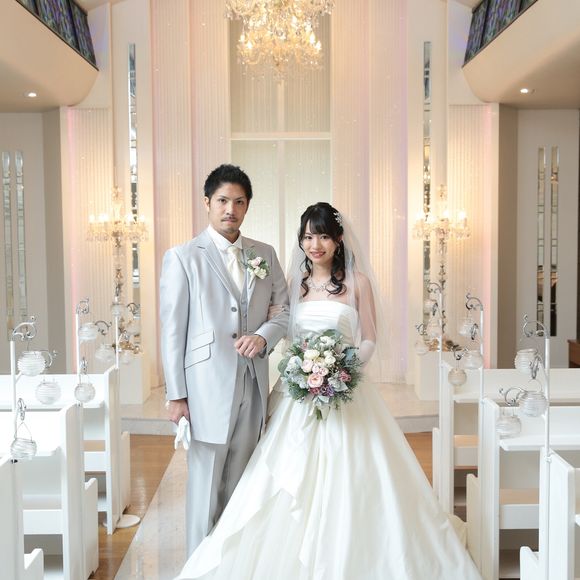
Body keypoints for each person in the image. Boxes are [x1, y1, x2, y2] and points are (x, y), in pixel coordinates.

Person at [175, 202, 481, 579]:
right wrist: (302, 368)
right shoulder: (293, 283)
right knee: (280, 479)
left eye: (322, 236)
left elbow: (369, 339)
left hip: (345, 391)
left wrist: (343, 368)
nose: (314, 245)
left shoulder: (358, 283)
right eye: (307, 237)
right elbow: (284, 332)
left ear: (338, 239)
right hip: (298, 394)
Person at [160, 164, 289, 556]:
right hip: (205, 390)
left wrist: (263, 337)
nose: (230, 209)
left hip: (253, 384)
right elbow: (172, 330)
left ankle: (232, 562)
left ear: (247, 206)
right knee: (205, 487)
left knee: (242, 481)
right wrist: (176, 395)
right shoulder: (183, 257)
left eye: (239, 202)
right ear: (207, 203)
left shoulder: (264, 254)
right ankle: (198, 566)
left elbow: (283, 311)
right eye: (222, 201)